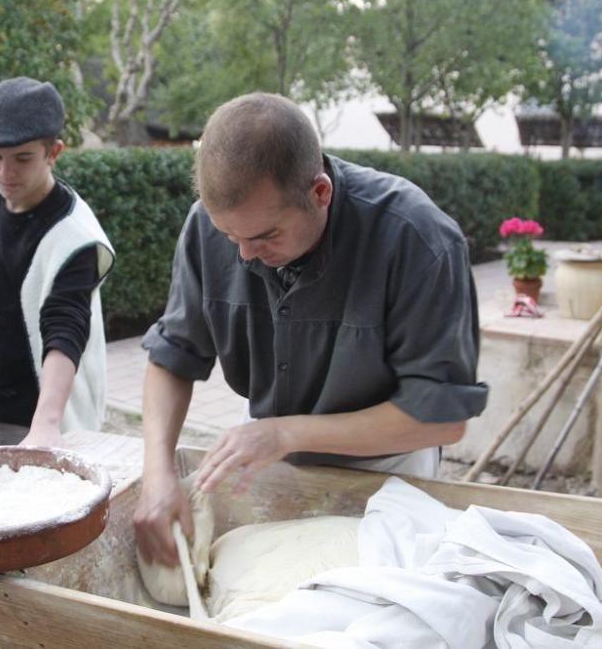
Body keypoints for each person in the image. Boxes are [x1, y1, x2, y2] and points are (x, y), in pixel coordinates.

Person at [133, 92, 488, 565]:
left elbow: (443, 417)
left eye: (264, 236)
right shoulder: (210, 226)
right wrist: (157, 471)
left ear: (320, 193)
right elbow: (173, 356)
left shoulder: (418, 239)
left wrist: (285, 434)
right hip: (268, 456)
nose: (243, 255)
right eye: (229, 236)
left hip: (390, 469)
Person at [0, 77, 115, 450]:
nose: (4, 173)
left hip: (37, 419)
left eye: (22, 159)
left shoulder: (77, 235)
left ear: (53, 152)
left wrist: (46, 424)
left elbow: (66, 327)